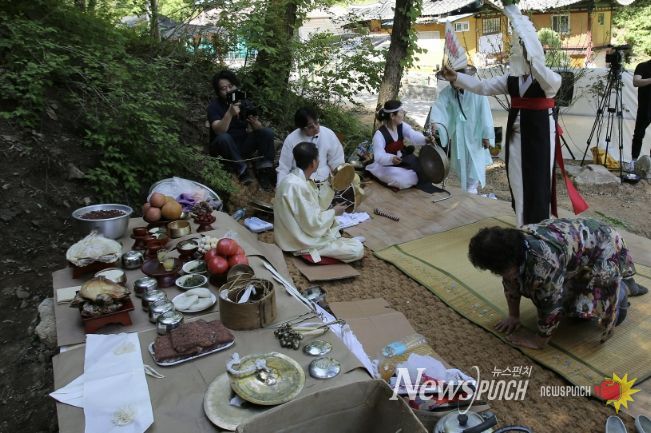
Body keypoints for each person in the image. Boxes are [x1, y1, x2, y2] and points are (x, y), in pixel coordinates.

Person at [441, 4, 561, 226]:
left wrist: (526, 37)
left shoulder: (551, 80)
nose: (518, 53)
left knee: (539, 180)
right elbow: (482, 87)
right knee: (517, 180)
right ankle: (521, 223)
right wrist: (456, 77)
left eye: (522, 48)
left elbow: (539, 68)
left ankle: (540, 226)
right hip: (517, 135)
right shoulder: (511, 79)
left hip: (541, 136)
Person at [468, 218, 648, 350]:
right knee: (574, 313)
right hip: (577, 252)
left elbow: (551, 305)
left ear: (513, 261)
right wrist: (513, 316)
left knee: (603, 313)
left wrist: (538, 341)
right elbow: (510, 282)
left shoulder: (543, 263)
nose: (497, 273)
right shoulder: (512, 248)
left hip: (603, 246)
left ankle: (624, 288)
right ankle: (623, 282)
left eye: (500, 269)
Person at [274, 141, 364, 263]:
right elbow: (313, 224)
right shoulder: (297, 186)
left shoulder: (292, 179)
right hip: (298, 241)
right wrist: (334, 212)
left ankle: (337, 243)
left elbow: (315, 205)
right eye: (318, 159)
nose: (319, 161)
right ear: (313, 163)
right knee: (356, 250)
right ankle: (312, 252)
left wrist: (330, 184)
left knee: (334, 226)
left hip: (289, 235)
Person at [207, 69, 276, 190]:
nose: (228, 90)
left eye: (230, 86)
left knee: (267, 133)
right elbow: (219, 131)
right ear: (218, 91)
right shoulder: (214, 106)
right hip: (223, 148)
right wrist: (229, 113)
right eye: (223, 88)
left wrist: (255, 123)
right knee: (224, 138)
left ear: (236, 86)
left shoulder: (243, 102)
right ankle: (242, 170)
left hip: (242, 145)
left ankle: (264, 170)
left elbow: (258, 130)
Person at [428, 75, 495, 194]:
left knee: (474, 165)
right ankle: (468, 191)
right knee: (461, 166)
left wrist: (486, 135)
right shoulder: (448, 92)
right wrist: (435, 122)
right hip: (459, 135)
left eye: (455, 81)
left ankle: (471, 191)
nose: (453, 84)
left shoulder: (477, 89)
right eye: (451, 81)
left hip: (475, 135)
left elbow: (485, 112)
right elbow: (439, 106)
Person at [366, 100, 432, 190]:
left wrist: (426, 139)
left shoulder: (402, 126)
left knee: (423, 171)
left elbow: (413, 135)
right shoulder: (379, 135)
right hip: (384, 165)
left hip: (401, 160)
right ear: (392, 116)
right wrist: (391, 159)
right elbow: (379, 156)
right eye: (401, 112)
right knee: (401, 180)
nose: (404, 114)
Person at [276, 107, 345, 186]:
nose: (316, 128)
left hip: (324, 182)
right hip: (299, 183)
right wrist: (280, 187)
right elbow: (284, 168)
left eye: (316, 122)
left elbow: (337, 160)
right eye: (310, 127)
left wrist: (339, 180)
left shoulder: (328, 134)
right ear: (301, 128)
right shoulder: (291, 139)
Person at [632, 58, 651, 163]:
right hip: (645, 107)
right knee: (639, 134)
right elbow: (636, 82)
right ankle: (634, 161)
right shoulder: (643, 66)